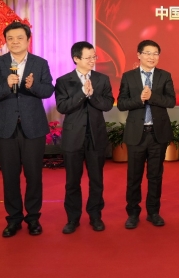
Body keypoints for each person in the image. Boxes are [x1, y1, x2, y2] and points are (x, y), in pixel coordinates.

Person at [0, 21, 55, 237]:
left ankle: (33, 218)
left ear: (28, 40)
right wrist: (6, 85)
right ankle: (13, 219)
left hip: (33, 126)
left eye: (19, 38)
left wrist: (33, 86)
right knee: (10, 175)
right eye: (10, 38)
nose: (15, 42)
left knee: (34, 175)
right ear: (6, 41)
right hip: (6, 127)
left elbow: (48, 90)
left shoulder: (40, 63)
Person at [55, 41, 114, 234]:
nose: (92, 60)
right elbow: (62, 107)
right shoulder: (64, 81)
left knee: (96, 180)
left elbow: (107, 104)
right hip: (73, 136)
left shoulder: (102, 79)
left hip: (96, 135)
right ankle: (73, 218)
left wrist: (92, 95)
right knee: (72, 181)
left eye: (94, 57)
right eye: (88, 57)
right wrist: (82, 93)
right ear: (76, 59)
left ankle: (95, 216)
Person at [118, 40, 176, 229]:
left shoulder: (164, 76)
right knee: (133, 177)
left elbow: (171, 101)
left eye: (155, 53)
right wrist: (139, 99)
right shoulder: (129, 77)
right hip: (137, 134)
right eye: (148, 53)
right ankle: (133, 213)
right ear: (139, 55)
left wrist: (152, 97)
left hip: (157, 134)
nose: (152, 57)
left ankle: (153, 212)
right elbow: (121, 104)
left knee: (155, 176)